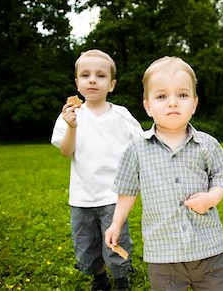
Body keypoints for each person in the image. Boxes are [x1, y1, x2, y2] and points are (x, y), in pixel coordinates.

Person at [105, 56, 223, 291]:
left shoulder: (207, 144)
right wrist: (116, 223)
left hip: (207, 246)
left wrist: (212, 198)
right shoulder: (136, 148)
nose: (172, 102)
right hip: (162, 252)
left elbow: (220, 176)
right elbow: (127, 189)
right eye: (162, 96)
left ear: (194, 104)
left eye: (182, 95)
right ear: (147, 106)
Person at [51, 49, 142, 291]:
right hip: (82, 196)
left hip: (114, 195)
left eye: (100, 76)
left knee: (116, 239)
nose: (92, 80)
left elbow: (141, 146)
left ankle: (121, 279)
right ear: (77, 83)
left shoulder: (121, 115)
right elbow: (66, 151)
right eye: (86, 75)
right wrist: (72, 127)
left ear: (111, 85)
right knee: (87, 242)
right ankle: (99, 278)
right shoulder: (70, 116)